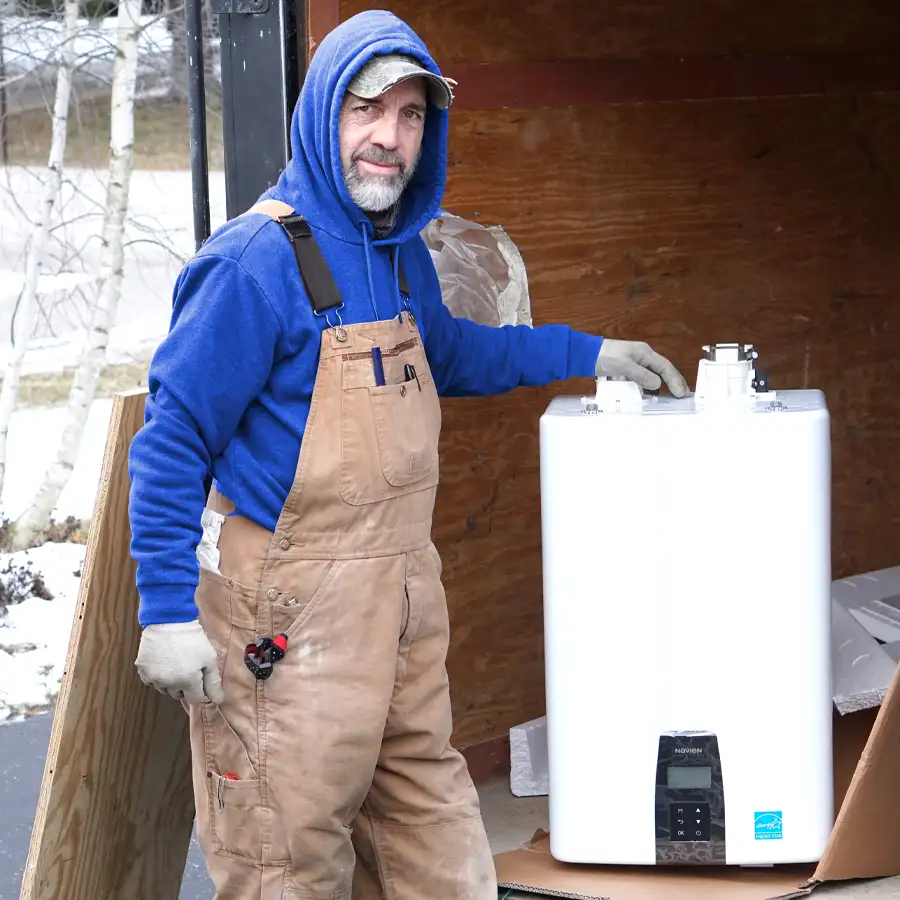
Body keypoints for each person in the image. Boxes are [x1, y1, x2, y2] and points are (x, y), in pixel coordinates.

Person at [128, 9, 688, 900]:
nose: (389, 138)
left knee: (436, 850)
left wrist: (586, 354)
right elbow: (170, 441)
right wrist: (165, 608)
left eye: (412, 115)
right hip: (289, 615)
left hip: (398, 608)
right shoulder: (254, 264)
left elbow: (452, 354)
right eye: (366, 109)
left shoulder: (395, 254)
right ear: (322, 115)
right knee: (289, 861)